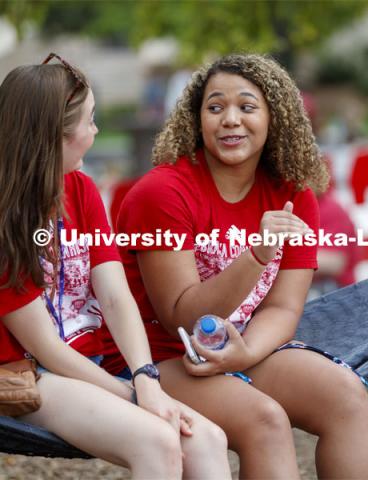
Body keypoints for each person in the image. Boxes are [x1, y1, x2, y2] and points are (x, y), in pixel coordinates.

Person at [101, 53, 368, 479]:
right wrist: (256, 255)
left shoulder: (293, 194)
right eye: (215, 107)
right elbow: (182, 315)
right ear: (197, 120)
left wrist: (245, 352)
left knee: (347, 395)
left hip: (240, 346)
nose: (230, 119)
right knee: (265, 420)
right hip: (154, 359)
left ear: (275, 118)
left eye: (247, 107)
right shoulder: (161, 193)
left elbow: (284, 307)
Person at [0, 54, 230, 480]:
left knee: (208, 440)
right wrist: (134, 396)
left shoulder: (82, 190)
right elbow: (46, 347)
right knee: (158, 438)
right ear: (55, 136)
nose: (96, 131)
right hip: (28, 375)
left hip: (96, 364)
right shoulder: (5, 218)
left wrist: (146, 378)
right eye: (90, 121)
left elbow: (114, 293)